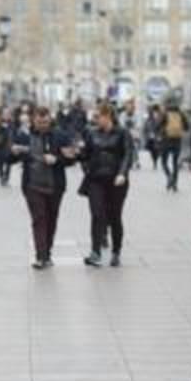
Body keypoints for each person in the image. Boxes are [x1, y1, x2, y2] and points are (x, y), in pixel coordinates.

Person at [10, 106, 80, 268]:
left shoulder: (60, 136)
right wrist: (13, 152)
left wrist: (57, 160)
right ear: (34, 120)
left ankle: (47, 252)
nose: (43, 125)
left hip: (55, 185)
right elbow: (9, 157)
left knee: (51, 219)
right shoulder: (24, 136)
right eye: (40, 122)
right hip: (32, 185)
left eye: (46, 122)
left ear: (50, 120)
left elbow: (71, 158)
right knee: (39, 218)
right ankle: (41, 256)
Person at [80, 102, 134, 268]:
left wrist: (122, 173)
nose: (97, 120)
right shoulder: (92, 133)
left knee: (114, 217)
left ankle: (116, 251)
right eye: (96, 116)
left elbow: (128, 154)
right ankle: (95, 252)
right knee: (97, 215)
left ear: (108, 116)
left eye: (100, 116)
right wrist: (82, 162)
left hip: (116, 181)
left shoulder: (123, 133)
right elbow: (85, 155)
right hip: (96, 180)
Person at [159, 101, 187, 191]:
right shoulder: (181, 114)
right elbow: (187, 126)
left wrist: (161, 131)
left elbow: (157, 125)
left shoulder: (165, 114)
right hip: (177, 141)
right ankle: (175, 184)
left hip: (166, 141)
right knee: (175, 163)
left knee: (164, 162)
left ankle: (169, 176)